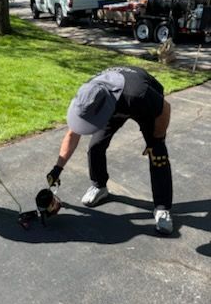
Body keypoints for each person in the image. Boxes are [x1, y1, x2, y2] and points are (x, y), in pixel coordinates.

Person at [46, 66, 173, 235]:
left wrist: (157, 140)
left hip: (143, 104)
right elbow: (72, 133)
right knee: (95, 146)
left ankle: (162, 208)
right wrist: (58, 168)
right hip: (111, 103)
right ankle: (99, 186)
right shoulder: (88, 96)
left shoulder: (138, 94)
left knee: (158, 155)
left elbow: (165, 110)